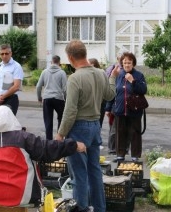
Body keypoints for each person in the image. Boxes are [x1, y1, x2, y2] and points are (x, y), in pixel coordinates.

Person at [0, 105, 86, 207]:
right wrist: (73, 145)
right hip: (23, 195)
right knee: (33, 159)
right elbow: (48, 148)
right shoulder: (23, 138)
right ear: (12, 118)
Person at [55, 40, 116, 212]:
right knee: (95, 172)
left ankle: (81, 208)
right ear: (85, 53)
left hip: (78, 128)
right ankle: (99, 208)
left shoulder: (74, 78)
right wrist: (112, 78)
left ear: (70, 57)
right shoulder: (100, 73)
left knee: (79, 175)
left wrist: (60, 134)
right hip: (95, 125)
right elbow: (110, 95)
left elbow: (70, 111)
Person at [108, 52, 147, 162]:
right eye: (124, 62)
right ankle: (120, 154)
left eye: (129, 62)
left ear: (133, 63)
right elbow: (112, 92)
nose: (127, 65)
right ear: (122, 63)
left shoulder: (138, 75)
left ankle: (135, 155)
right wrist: (108, 108)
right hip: (120, 109)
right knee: (120, 133)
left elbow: (143, 90)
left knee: (135, 133)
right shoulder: (118, 75)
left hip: (134, 109)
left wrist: (133, 81)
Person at [36, 55, 67, 140]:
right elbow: (65, 89)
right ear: (59, 62)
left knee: (48, 120)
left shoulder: (45, 72)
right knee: (61, 118)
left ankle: (49, 141)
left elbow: (38, 86)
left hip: (47, 98)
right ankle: (59, 138)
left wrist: (39, 97)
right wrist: (66, 99)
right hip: (58, 98)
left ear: (51, 62)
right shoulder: (62, 73)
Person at [0, 44, 24, 116]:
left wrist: (3, 96)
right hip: (1, 99)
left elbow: (16, 86)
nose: (4, 56)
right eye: (2, 54)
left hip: (11, 99)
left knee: (8, 123)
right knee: (1, 123)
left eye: (6, 53)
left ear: (11, 53)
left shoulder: (16, 66)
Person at [105, 55, 122, 155]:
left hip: (126, 107)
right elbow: (111, 91)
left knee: (125, 130)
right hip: (115, 106)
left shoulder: (130, 72)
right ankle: (112, 148)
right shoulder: (114, 71)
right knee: (114, 129)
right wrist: (108, 108)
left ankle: (123, 148)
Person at [88, 58, 106, 128]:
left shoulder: (93, 73)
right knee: (99, 122)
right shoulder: (103, 72)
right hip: (102, 100)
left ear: (93, 65)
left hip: (94, 100)